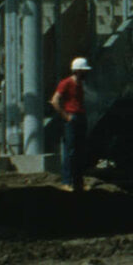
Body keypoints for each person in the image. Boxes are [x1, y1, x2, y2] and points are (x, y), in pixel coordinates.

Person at [54, 56, 90, 190]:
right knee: (71, 151)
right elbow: (55, 100)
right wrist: (66, 116)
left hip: (80, 116)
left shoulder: (80, 84)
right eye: (84, 70)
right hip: (72, 117)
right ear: (78, 71)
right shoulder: (66, 83)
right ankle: (67, 182)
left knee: (80, 151)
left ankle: (78, 182)